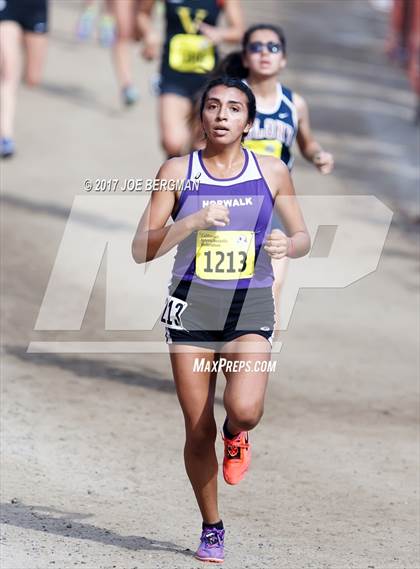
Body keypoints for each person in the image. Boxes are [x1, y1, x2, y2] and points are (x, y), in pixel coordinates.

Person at [132, 76, 311, 563]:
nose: (222, 114)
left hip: (249, 305)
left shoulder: (272, 172)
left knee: (246, 409)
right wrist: (188, 222)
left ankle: (238, 434)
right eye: (212, 106)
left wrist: (285, 244)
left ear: (249, 123)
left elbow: (302, 237)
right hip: (190, 308)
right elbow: (140, 249)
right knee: (196, 429)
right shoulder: (175, 170)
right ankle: (212, 526)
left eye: (233, 108)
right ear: (202, 118)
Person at [215, 24, 334, 328]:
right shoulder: (228, 100)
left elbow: (306, 143)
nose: (264, 53)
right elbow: (202, 146)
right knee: (224, 292)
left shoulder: (294, 104)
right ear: (245, 57)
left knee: (270, 289)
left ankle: (255, 366)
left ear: (283, 59)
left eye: (272, 47)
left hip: (276, 209)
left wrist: (318, 155)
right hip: (230, 209)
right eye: (256, 47)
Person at [137, 0, 244, 157]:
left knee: (202, 145)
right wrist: (149, 34)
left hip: (208, 78)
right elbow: (142, 14)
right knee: (172, 143)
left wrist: (220, 34)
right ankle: (174, 175)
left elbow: (239, 31)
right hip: (172, 74)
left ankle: (194, 179)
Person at [0, 0, 49, 157]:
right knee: (8, 71)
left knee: (33, 78)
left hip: (35, 6)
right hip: (7, 6)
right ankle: (5, 136)